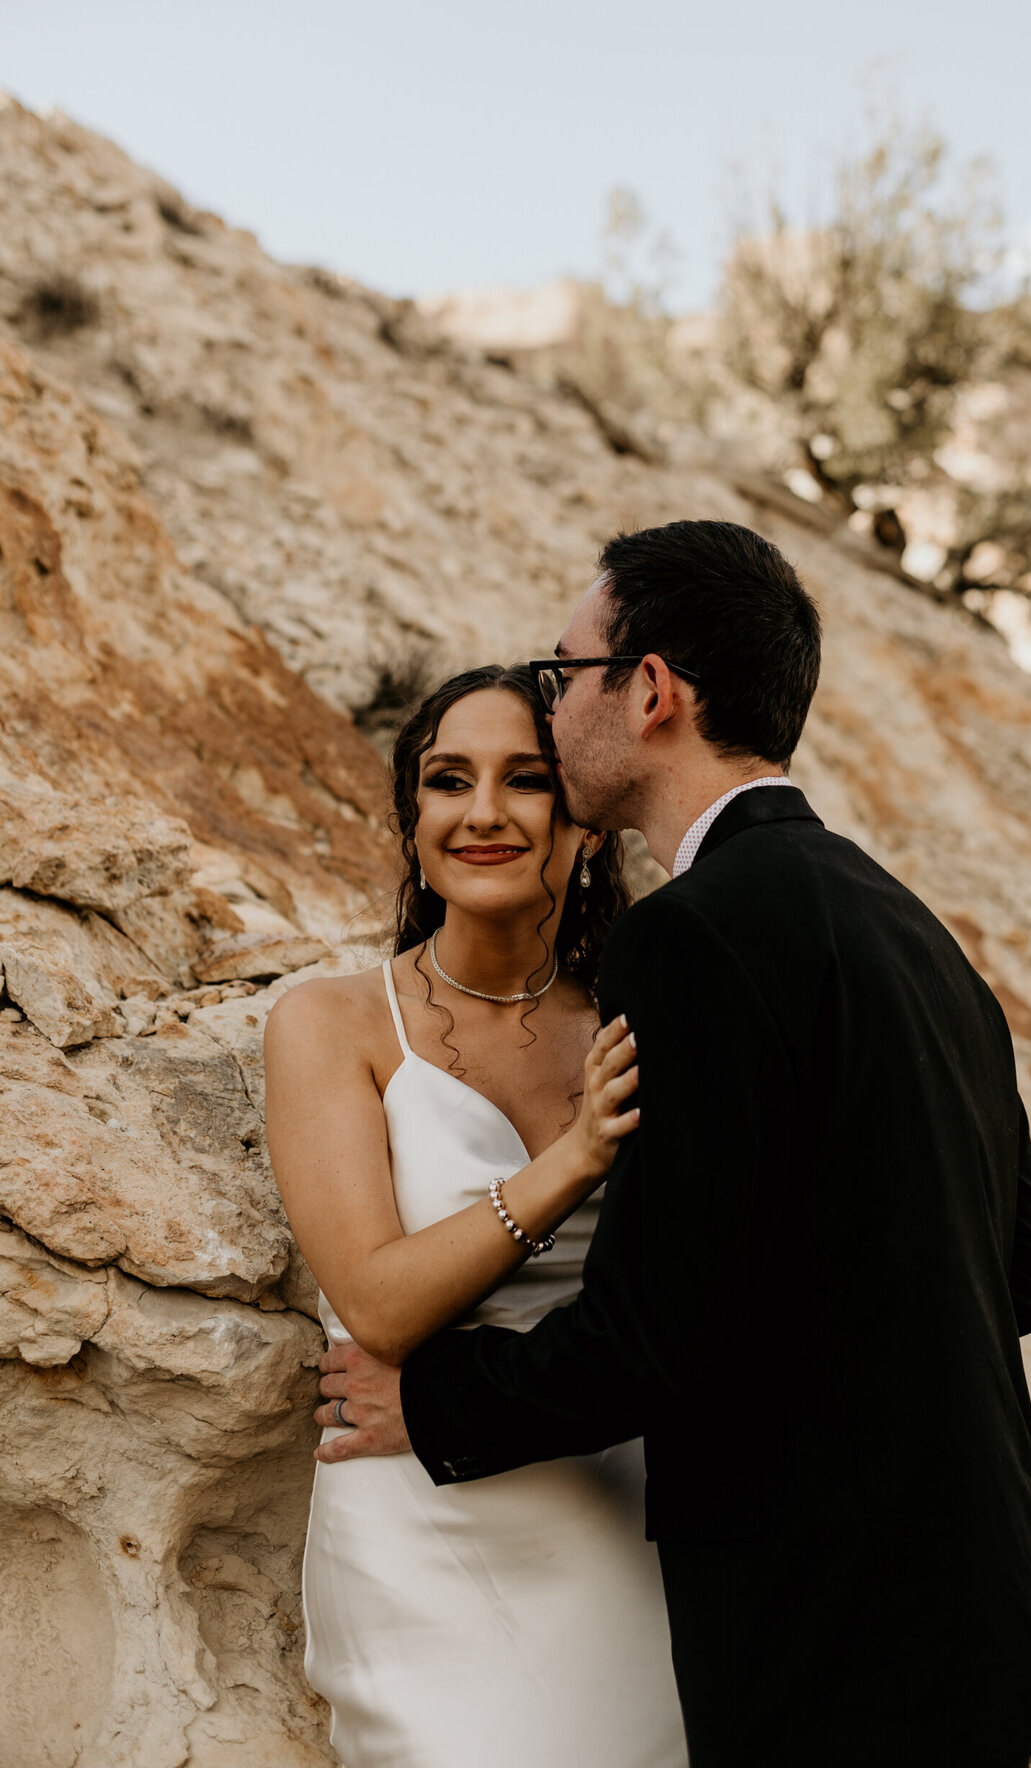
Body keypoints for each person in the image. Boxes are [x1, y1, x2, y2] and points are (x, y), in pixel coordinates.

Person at [320, 519, 1031, 1768]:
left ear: (654, 692)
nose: (551, 710)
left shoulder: (689, 939)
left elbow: (655, 1331)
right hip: (975, 1619)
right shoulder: (917, 934)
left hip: (818, 1632)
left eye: (565, 676)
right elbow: (1022, 1276)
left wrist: (434, 1402)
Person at [264, 663, 689, 1768]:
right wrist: (576, 1159)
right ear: (412, 827)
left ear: (585, 825)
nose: (485, 813)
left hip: (617, 1511)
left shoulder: (639, 1025)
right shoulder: (331, 1024)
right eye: (449, 781)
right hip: (420, 1524)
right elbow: (377, 1303)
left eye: (528, 781)